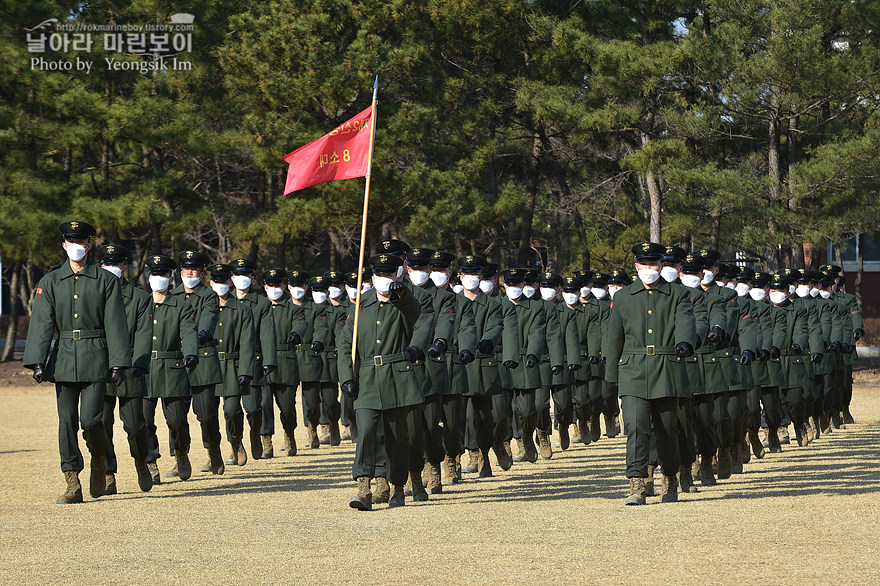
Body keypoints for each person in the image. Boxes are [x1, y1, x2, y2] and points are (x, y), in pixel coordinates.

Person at [24, 221, 131, 503]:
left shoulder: (106, 280)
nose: (76, 246)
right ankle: (72, 480)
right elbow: (43, 323)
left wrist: (118, 363)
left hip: (97, 357)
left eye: (81, 241)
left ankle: (98, 458)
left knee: (92, 421)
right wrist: (38, 361)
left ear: (89, 245)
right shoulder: (49, 282)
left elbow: (116, 323)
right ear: (63, 245)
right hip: (64, 359)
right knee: (67, 422)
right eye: (71, 241)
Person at [604, 242, 696, 505]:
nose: (648, 269)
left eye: (653, 264)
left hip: (667, 369)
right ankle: (637, 483)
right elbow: (614, 340)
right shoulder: (622, 297)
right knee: (636, 427)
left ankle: (670, 478)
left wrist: (684, 342)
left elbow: (686, 321)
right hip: (633, 371)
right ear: (635, 267)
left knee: (667, 430)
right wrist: (611, 380)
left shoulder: (677, 294)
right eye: (643, 265)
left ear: (661, 266)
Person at [339, 253, 423, 510]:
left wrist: (404, 295)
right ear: (372, 277)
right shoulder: (359, 305)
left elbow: (415, 316)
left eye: (389, 274)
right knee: (365, 431)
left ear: (397, 275)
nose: (383, 279)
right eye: (379, 275)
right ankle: (363, 486)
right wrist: (346, 377)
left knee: (398, 437)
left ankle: (397, 487)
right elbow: (345, 344)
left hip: (397, 378)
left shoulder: (404, 302)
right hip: (367, 379)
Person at [97, 244, 154, 494]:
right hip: (100, 367)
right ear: (100, 266)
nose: (112, 268)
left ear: (125, 267)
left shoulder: (140, 298)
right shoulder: (94, 294)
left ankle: (142, 461)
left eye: (117, 264)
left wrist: (139, 365)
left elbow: (144, 335)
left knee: (135, 426)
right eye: (107, 264)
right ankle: (108, 473)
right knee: (101, 424)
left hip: (130, 368)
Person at [141, 255, 199, 483]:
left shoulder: (181, 306)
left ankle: (181, 452)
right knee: (144, 422)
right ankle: (150, 461)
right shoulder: (141, 305)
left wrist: (191, 353)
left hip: (173, 368)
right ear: (148, 278)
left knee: (177, 421)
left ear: (171, 277)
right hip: (144, 369)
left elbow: (188, 331)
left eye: (163, 274)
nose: (159, 279)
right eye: (155, 274)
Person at [167, 250, 224, 476]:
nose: (191, 273)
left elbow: (209, 316)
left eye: (195, 270)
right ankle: (180, 455)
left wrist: (201, 334)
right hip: (177, 363)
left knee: (207, 415)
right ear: (180, 272)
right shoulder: (172, 296)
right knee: (176, 418)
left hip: (202, 361)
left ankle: (214, 451)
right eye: (187, 270)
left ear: (202, 274)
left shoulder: (208, 295)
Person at [207, 264, 256, 468]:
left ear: (230, 282)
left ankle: (235, 440)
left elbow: (247, 343)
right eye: (216, 281)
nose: (220, 285)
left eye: (223, 281)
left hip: (232, 365)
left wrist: (245, 370)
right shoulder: (202, 307)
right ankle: (212, 450)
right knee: (207, 414)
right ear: (210, 283)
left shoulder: (242, 310)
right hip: (208, 364)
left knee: (232, 410)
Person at [231, 258, 277, 461]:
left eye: (246, 275)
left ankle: (256, 431)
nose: (242, 279)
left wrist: (269, 360)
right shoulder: (223, 301)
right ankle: (235, 442)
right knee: (230, 409)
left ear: (252, 278)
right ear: (231, 278)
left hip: (253, 361)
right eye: (238, 275)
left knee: (253, 408)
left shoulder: (262, 303)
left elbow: (267, 334)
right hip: (230, 362)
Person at [500, 268, 545, 464]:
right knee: (501, 412)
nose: (513, 288)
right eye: (509, 284)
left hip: (526, 360)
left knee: (527, 411)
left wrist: (533, 354)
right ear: (504, 285)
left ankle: (527, 435)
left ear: (523, 285)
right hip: (501, 361)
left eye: (517, 284)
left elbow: (537, 331)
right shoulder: (497, 306)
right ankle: (507, 442)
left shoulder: (534, 306)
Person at [261, 269, 307, 457]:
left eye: (277, 285)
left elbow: (301, 323)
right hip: (263, 361)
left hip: (285, 362)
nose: (274, 289)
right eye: (270, 285)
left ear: (283, 286)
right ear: (265, 287)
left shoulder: (294, 309)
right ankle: (266, 441)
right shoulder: (259, 308)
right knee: (263, 404)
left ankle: (289, 434)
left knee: (287, 406)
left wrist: (296, 334)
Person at [288, 271, 331, 449]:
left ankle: (312, 427)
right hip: (287, 357)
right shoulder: (282, 307)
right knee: (286, 402)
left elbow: (321, 328)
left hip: (309, 356)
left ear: (306, 287)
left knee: (312, 402)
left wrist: (318, 342)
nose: (297, 289)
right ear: (288, 287)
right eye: (294, 285)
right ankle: (288, 433)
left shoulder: (316, 308)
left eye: (301, 285)